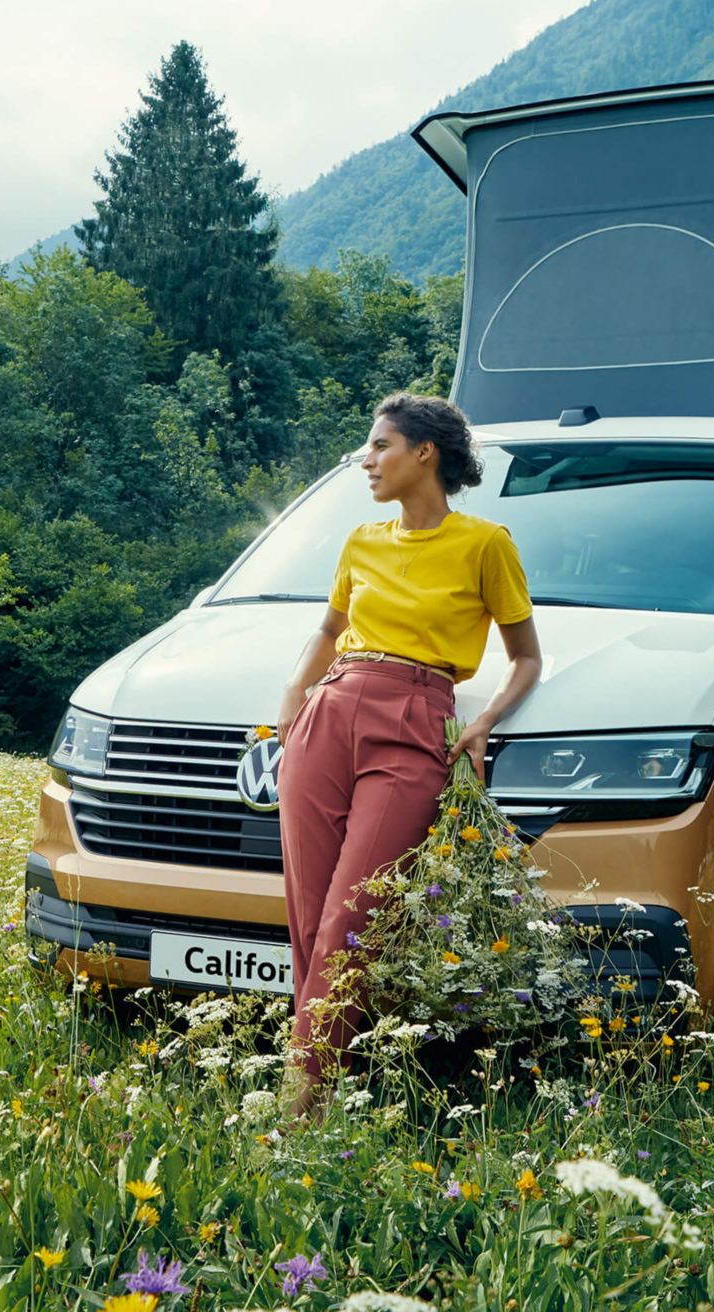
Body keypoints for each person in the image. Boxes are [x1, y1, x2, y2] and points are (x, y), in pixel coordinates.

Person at [273, 391, 543, 1124]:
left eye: (379, 446)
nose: (367, 460)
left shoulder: (486, 544)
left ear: (425, 454)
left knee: (353, 916)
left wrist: (485, 719)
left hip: (415, 716)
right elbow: (327, 633)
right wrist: (290, 703)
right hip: (328, 714)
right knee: (306, 915)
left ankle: (301, 1100)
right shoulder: (362, 540)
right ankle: (331, 1081)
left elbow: (525, 658)